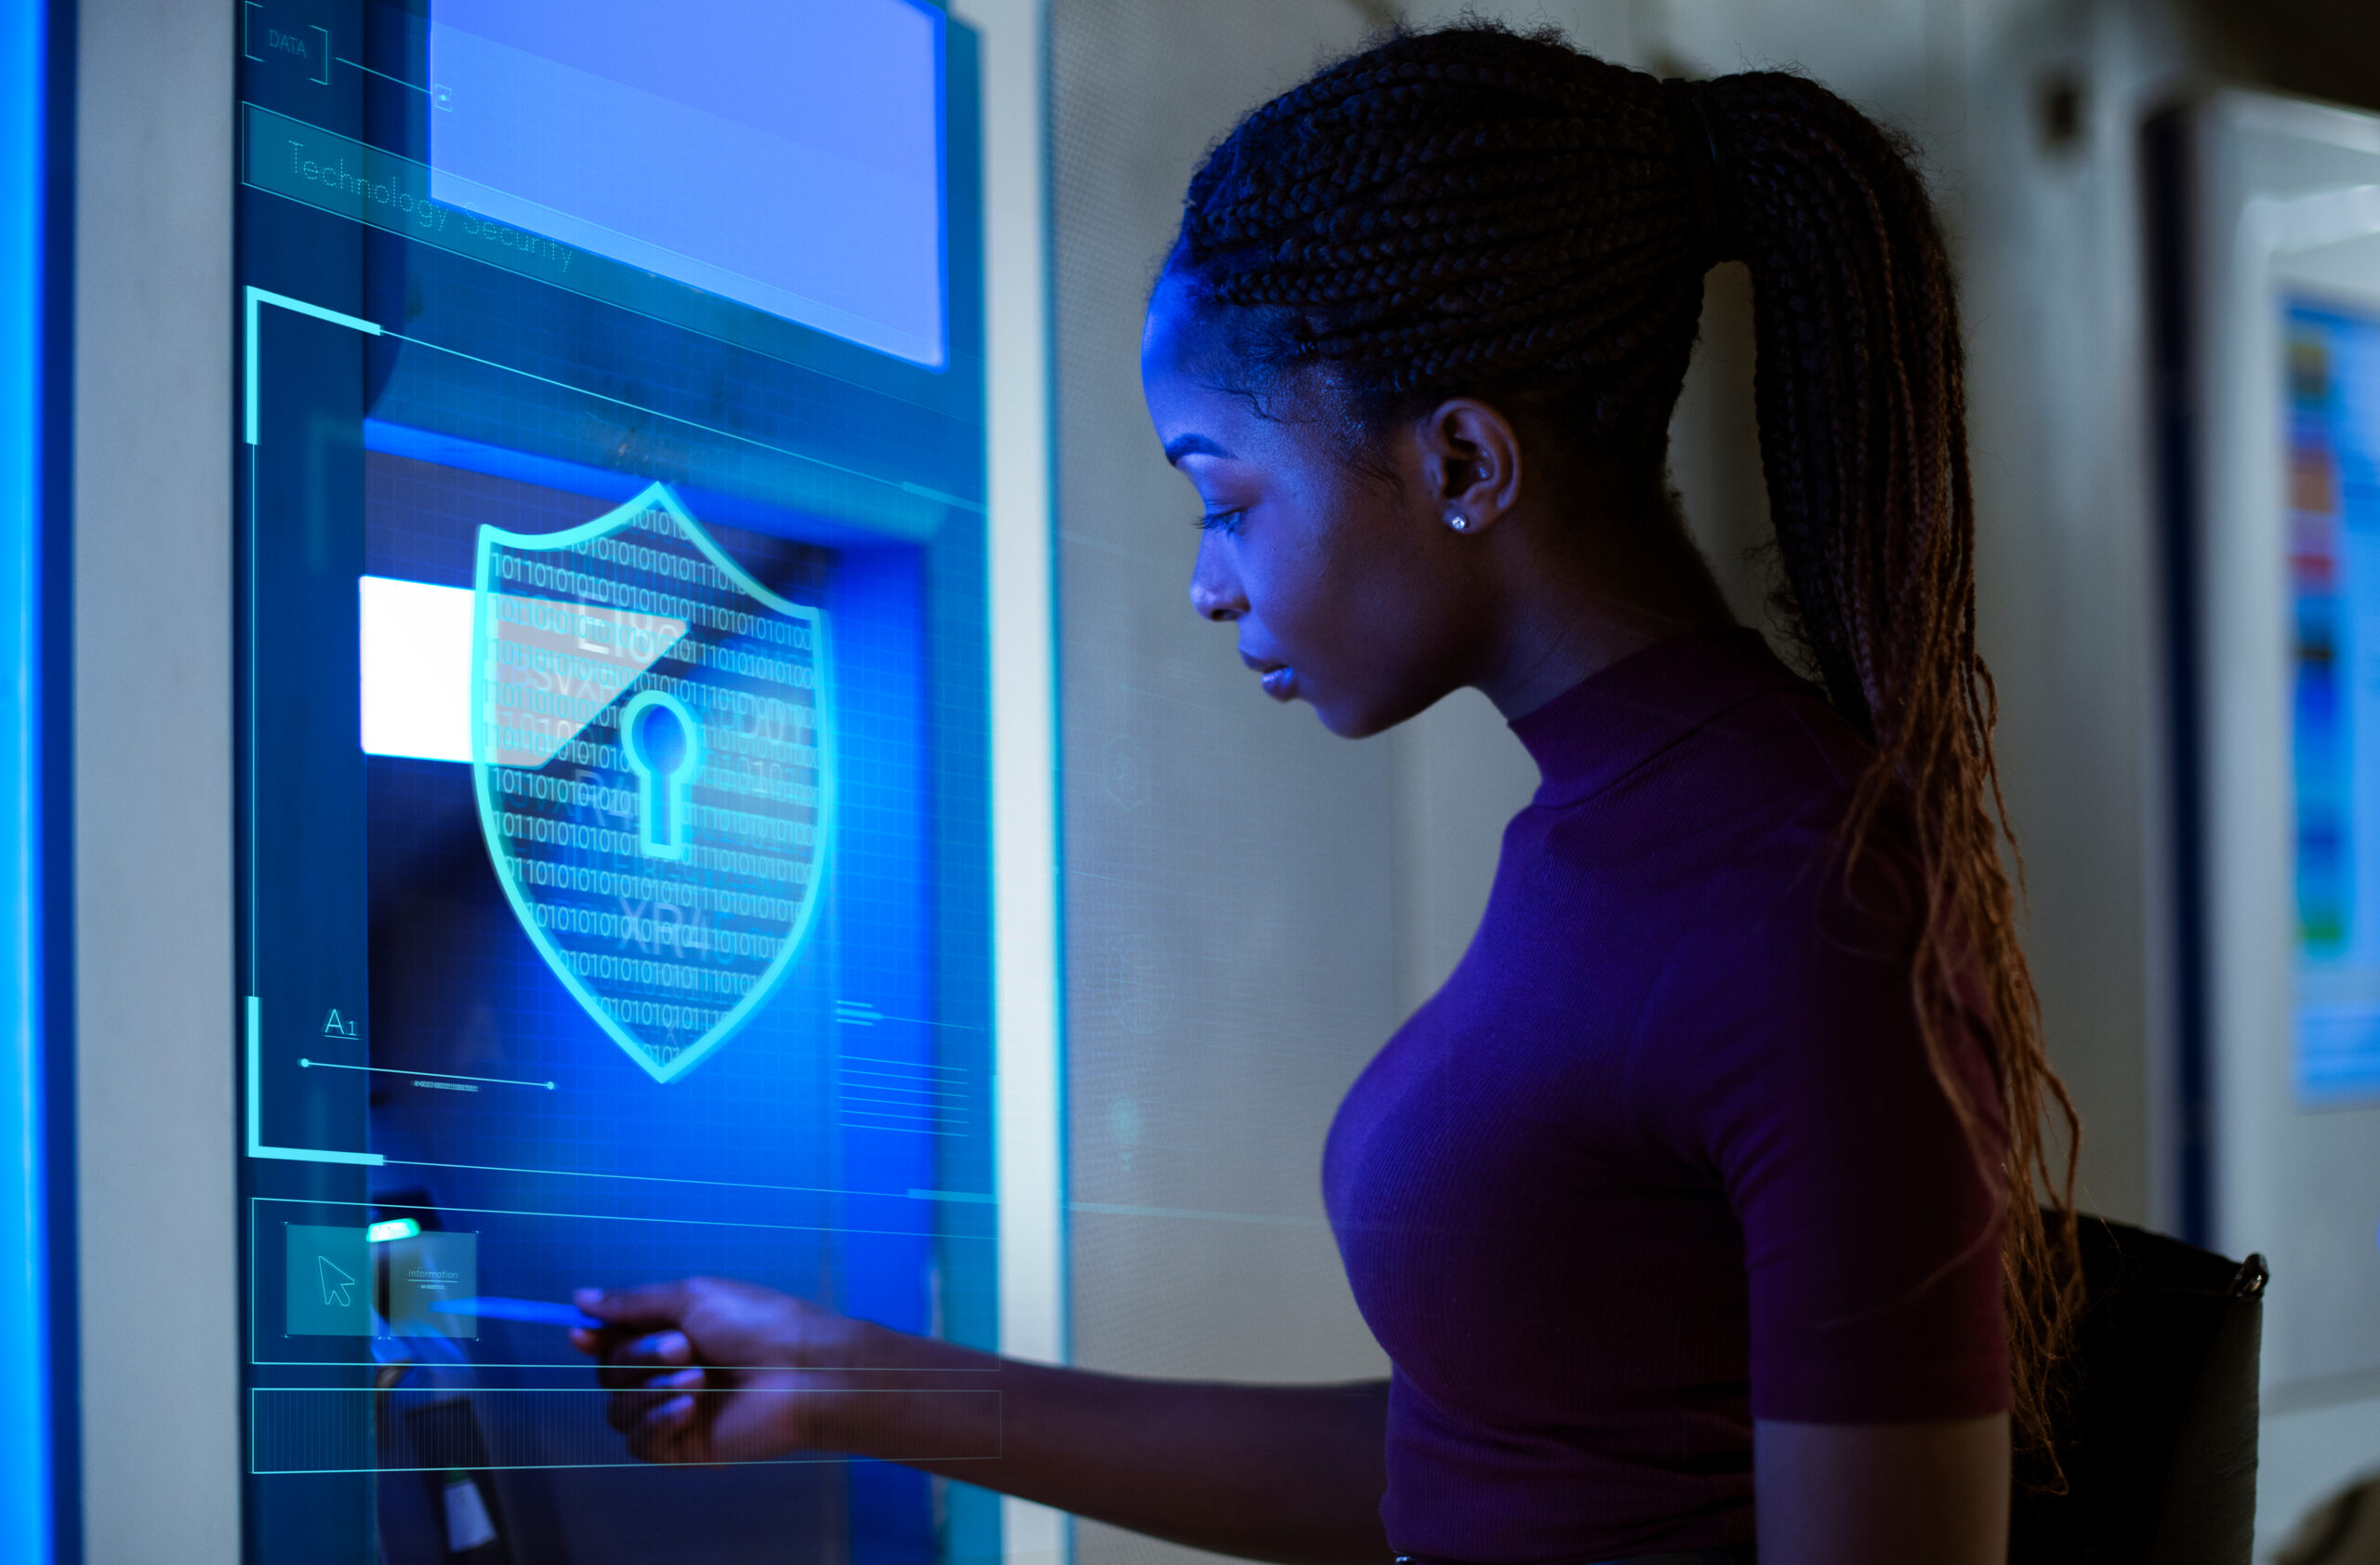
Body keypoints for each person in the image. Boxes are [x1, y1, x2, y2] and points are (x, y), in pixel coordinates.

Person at [572, 24, 2083, 1565]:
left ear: (1466, 464)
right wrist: (852, 1381)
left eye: (1228, 502)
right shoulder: (1612, 834)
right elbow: (1479, 1460)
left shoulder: (1792, 901)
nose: (1204, 587)